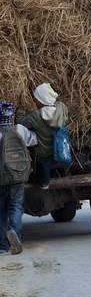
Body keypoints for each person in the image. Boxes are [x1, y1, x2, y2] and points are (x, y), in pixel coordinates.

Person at [0, 100, 38, 255]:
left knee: (1, 212)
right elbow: (34, 140)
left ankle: (2, 247)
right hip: (18, 175)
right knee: (15, 206)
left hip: (1, 178)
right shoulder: (20, 129)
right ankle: (15, 234)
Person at [15, 83, 68, 190]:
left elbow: (21, 122)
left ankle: (43, 183)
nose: (34, 100)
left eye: (36, 98)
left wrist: (21, 107)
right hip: (59, 147)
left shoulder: (38, 116)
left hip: (43, 152)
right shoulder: (62, 107)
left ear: (43, 100)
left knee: (41, 163)